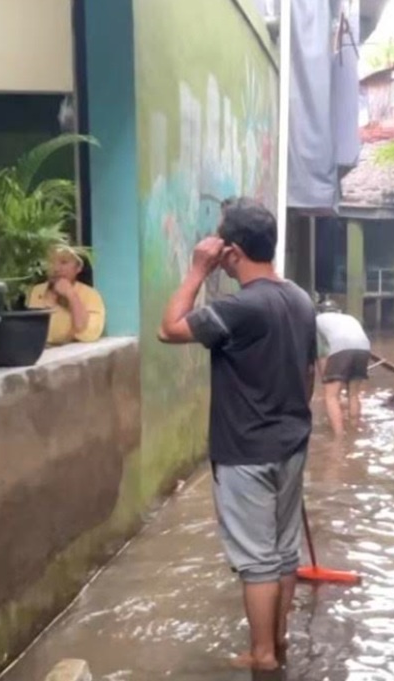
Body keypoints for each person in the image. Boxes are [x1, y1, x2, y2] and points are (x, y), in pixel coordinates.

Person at [157, 198, 316, 672]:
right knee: (285, 551)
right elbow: (309, 372)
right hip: (291, 443)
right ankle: (280, 640)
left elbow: (169, 329)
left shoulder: (240, 307)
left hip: (245, 451)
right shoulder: (300, 299)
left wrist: (196, 271)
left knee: (257, 562)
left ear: (232, 251)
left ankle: (262, 655)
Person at [28, 246, 106, 345]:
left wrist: (71, 295)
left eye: (64, 262)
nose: (56, 269)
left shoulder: (90, 295)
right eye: (51, 262)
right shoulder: (37, 291)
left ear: (78, 268)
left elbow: (87, 333)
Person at [315, 299, 371, 436]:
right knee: (353, 394)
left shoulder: (316, 320)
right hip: (364, 348)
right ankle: (353, 428)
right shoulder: (349, 318)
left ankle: (339, 437)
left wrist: (325, 378)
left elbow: (321, 353)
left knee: (331, 396)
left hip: (341, 348)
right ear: (338, 310)